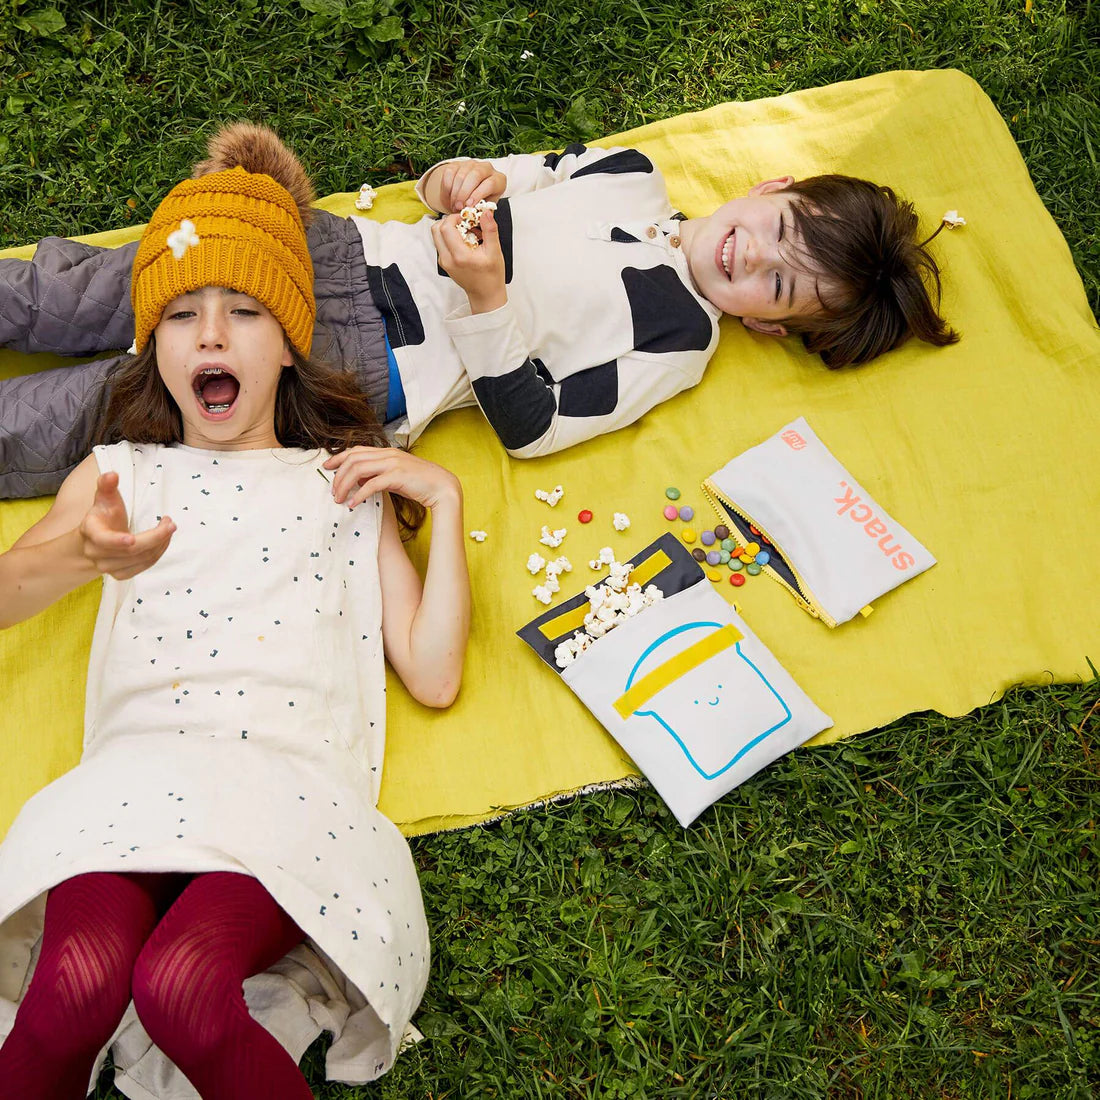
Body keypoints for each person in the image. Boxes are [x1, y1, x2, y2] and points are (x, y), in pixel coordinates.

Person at [0, 159, 471, 1098]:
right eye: (183, 315)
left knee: (184, 985)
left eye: (245, 311)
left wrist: (446, 502)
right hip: (131, 779)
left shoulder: (343, 477)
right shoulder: (120, 472)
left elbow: (433, 672)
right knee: (73, 990)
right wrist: (79, 558)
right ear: (154, 349)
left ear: (290, 345)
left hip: (284, 787)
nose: (211, 333)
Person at [0, 123, 958, 498]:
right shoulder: (628, 173)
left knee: (106, 407)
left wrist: (488, 297)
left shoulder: (680, 343)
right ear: (773, 186)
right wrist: (455, 181)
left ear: (768, 325)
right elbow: (477, 182)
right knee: (93, 287)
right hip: (342, 250)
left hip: (362, 362)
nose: (753, 257)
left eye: (777, 285)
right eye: (779, 230)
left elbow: (534, 429)